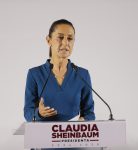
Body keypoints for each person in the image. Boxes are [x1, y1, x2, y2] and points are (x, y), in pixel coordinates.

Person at [24, 19, 95, 150]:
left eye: (70, 38)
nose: (65, 43)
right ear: (48, 40)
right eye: (60, 38)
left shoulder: (82, 75)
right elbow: (28, 112)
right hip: (43, 143)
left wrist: (83, 121)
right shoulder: (34, 74)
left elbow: (89, 112)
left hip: (74, 144)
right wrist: (38, 113)